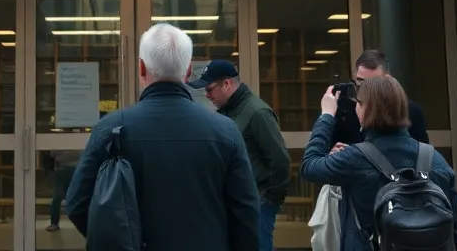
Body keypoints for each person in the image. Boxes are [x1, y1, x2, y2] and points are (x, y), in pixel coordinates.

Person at [66, 23, 260, 251]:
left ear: (141, 68)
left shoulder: (109, 128)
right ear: (188, 71)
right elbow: (246, 214)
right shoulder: (226, 131)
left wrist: (119, 238)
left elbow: (78, 204)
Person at [301, 75, 457, 251]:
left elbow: (310, 165)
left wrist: (327, 115)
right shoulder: (435, 159)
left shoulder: (356, 158)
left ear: (365, 109)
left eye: (358, 103)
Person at [189, 60, 291, 251]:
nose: (207, 95)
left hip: (258, 201)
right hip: (240, 199)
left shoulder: (257, 113)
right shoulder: (229, 111)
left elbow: (280, 160)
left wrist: (269, 198)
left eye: (210, 89)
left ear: (227, 84)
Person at [330, 50, 429, 148]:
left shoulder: (408, 109)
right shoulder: (344, 108)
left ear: (388, 79)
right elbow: (327, 149)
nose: (365, 88)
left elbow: (421, 153)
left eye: (373, 82)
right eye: (360, 81)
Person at [43, 150, 82, 232]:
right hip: (66, 168)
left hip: (71, 167)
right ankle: (54, 223)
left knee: (60, 196)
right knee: (59, 196)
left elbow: (52, 153)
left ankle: (54, 223)